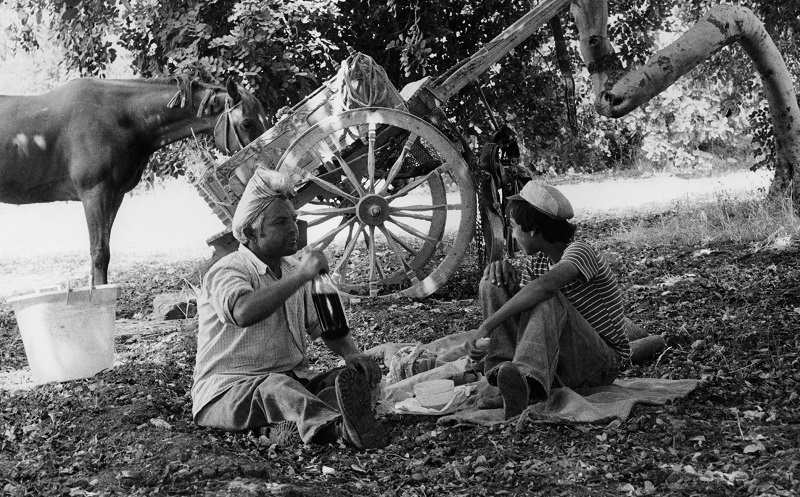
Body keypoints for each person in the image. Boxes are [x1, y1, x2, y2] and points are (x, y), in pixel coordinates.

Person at [191, 168, 388, 450]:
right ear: (250, 232)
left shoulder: (293, 269)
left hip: (292, 382)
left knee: (343, 379)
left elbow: (325, 327)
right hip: (228, 393)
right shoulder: (228, 269)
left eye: (294, 219)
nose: (294, 229)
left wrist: (351, 353)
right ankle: (338, 428)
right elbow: (243, 311)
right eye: (281, 222)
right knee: (277, 389)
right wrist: (301, 277)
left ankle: (295, 426)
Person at [467, 181, 631, 419]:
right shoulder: (538, 261)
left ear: (532, 229)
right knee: (493, 282)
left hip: (599, 365)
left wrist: (486, 327)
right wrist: (501, 273)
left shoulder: (581, 251)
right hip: (560, 361)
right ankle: (502, 379)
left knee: (546, 296)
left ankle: (525, 381)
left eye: (513, 228)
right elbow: (525, 318)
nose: (512, 236)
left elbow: (544, 288)